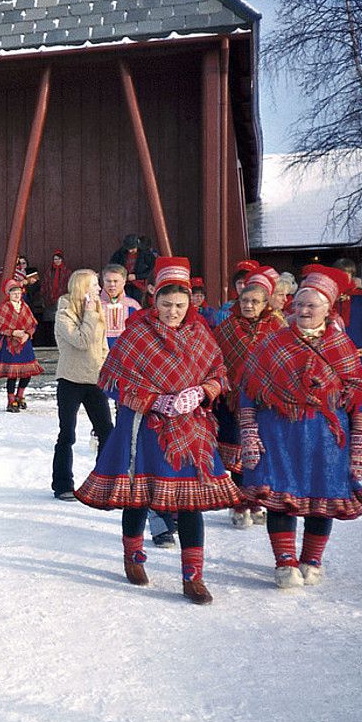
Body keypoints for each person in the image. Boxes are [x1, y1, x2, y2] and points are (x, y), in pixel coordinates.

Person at [75, 257, 239, 605]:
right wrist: (154, 401)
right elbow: (112, 379)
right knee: (139, 495)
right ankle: (133, 556)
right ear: (155, 299)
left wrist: (202, 392)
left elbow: (220, 374)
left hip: (190, 430)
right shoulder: (137, 332)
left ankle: (193, 576)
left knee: (190, 502)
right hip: (144, 428)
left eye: (180, 305)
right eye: (166, 304)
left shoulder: (201, 334)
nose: (173, 312)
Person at [239, 265, 362, 589]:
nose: (302, 310)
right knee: (279, 496)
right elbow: (249, 388)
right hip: (279, 433)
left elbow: (359, 393)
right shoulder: (274, 343)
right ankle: (285, 562)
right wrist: (248, 430)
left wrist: (358, 439)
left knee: (322, 497)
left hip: (325, 438)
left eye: (311, 305)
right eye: (299, 304)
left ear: (328, 308)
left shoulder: (341, 346)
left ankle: (312, 560)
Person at [212, 265, 285, 527]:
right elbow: (215, 359)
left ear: (266, 303)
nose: (249, 305)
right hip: (232, 401)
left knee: (260, 452)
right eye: (244, 300)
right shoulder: (227, 328)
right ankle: (238, 502)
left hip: (265, 404)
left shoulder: (278, 328)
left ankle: (257, 501)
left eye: (255, 301)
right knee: (237, 454)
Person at [50, 269, 112, 500]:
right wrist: (89, 314)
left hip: (95, 380)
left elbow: (102, 345)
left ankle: (103, 480)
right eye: (95, 285)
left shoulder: (96, 311)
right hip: (70, 380)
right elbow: (82, 341)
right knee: (67, 434)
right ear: (83, 288)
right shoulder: (64, 314)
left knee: (107, 431)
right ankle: (62, 484)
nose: (99, 289)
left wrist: (106, 371)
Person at [0, 277, 43, 412]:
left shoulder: (24, 306)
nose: (17, 295)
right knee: (12, 375)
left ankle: (20, 396)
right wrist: (12, 332)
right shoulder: (4, 307)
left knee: (27, 373)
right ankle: (11, 400)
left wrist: (27, 334)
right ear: (8, 294)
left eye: (19, 293)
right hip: (9, 346)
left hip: (25, 344)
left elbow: (32, 323)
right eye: (14, 293)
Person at [98, 264, 141, 353]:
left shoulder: (132, 305)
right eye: (108, 281)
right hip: (99, 353)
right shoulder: (94, 304)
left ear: (124, 281)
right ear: (103, 281)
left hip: (126, 353)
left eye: (116, 281)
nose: (112, 285)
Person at [109, 233, 156, 303]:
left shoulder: (146, 254)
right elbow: (112, 266)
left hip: (139, 285)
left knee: (138, 302)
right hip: (124, 283)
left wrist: (137, 276)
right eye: (128, 249)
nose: (130, 251)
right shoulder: (120, 253)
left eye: (133, 248)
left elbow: (152, 269)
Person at [212, 260, 261, 327]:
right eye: (239, 283)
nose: (242, 286)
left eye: (245, 282)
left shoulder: (265, 310)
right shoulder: (226, 310)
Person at [39, 250, 69, 346]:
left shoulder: (66, 271)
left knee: (61, 321)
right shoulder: (49, 271)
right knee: (50, 321)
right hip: (50, 299)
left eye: (58, 259)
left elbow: (67, 285)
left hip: (61, 299)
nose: (56, 261)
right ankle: (50, 342)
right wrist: (44, 296)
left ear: (62, 260)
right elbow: (45, 284)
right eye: (55, 259)